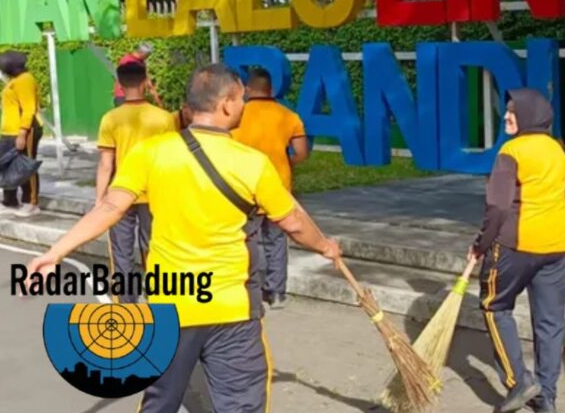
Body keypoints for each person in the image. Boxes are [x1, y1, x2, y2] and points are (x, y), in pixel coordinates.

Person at [24, 64, 342, 413]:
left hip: (170, 306)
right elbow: (293, 222)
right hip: (233, 310)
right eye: (241, 99)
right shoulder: (252, 163)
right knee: (242, 405)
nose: (243, 105)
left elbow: (110, 207)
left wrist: (55, 252)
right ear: (226, 104)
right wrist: (326, 246)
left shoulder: (150, 153)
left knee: (160, 403)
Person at [468, 88, 565, 413]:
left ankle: (519, 382)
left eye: (512, 111)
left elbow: (498, 207)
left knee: (494, 306)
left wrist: (480, 245)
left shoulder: (512, 150)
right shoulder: (558, 151)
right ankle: (547, 398)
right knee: (550, 322)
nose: (506, 116)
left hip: (516, 245)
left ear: (529, 115)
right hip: (557, 245)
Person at [95, 62, 177, 303]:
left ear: (120, 85)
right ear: (145, 82)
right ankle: (157, 294)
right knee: (154, 245)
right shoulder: (163, 118)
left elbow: (106, 164)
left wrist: (100, 199)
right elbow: (170, 159)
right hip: (153, 193)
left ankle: (126, 301)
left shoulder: (110, 119)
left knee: (121, 249)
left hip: (120, 193)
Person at [232, 67, 310, 310]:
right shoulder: (289, 116)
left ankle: (250, 290)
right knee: (276, 240)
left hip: (245, 188)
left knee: (247, 240)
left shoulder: (237, 116)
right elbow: (301, 152)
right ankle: (276, 292)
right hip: (279, 188)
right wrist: (286, 164)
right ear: (271, 89)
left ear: (247, 89)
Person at [0, 51, 43, 217]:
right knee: (5, 166)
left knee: (25, 165)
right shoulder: (14, 81)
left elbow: (29, 109)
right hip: (8, 132)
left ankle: (31, 202)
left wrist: (22, 133)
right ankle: (9, 201)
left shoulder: (25, 80)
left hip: (24, 130)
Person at [113, 42, 162, 107]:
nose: (148, 58)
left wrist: (160, 104)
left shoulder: (141, 63)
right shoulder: (127, 61)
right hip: (123, 97)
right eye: (147, 56)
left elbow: (148, 83)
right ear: (143, 53)